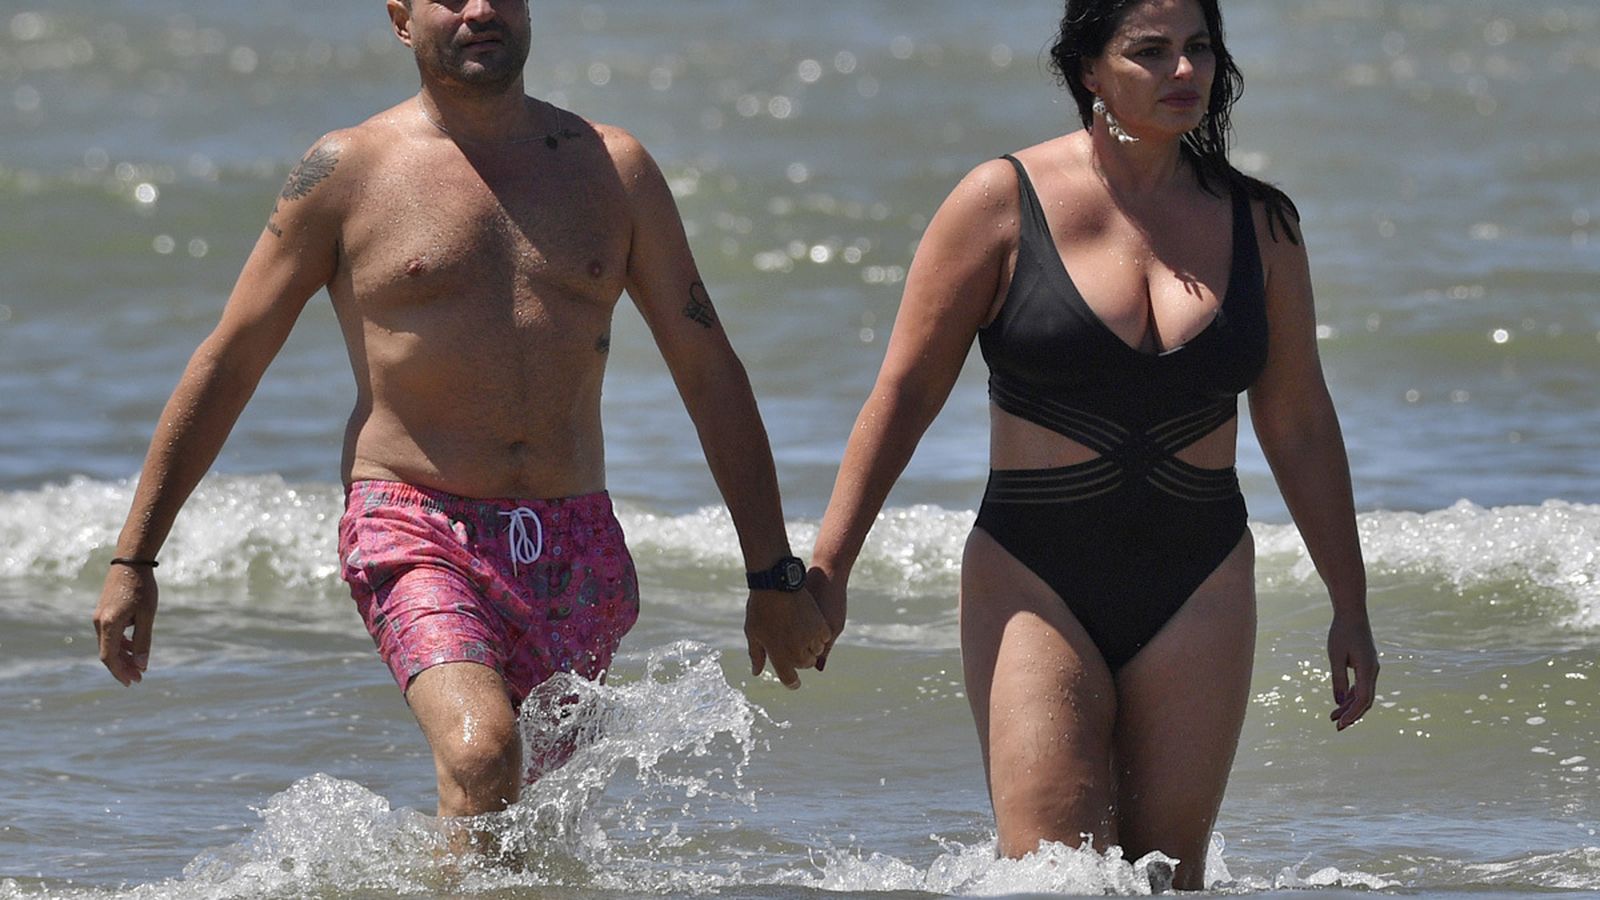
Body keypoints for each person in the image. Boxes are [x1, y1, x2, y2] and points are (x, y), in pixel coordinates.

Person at [92, 0, 831, 830]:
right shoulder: (346, 171)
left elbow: (708, 370)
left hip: (575, 537)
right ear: (401, 20)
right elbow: (232, 360)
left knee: (533, 822)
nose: (481, 10)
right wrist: (136, 558)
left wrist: (773, 573)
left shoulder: (612, 169)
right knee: (484, 754)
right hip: (414, 521)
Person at [806, 0, 1378, 889]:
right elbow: (907, 392)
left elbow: (1299, 420)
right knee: (1054, 874)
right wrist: (830, 568)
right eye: (1150, 52)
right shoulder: (1000, 202)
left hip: (1201, 575)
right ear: (1088, 70)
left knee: (1166, 877)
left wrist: (1351, 602)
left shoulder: (1261, 224)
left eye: (1198, 49)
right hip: (1036, 572)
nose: (1184, 72)